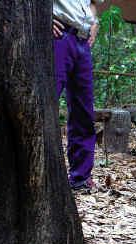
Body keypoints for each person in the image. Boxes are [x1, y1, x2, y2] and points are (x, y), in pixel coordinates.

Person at [52, 0, 102, 190]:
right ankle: (37, 172)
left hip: (82, 41)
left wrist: (95, 22)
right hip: (58, 35)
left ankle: (80, 177)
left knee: (84, 111)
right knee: (46, 105)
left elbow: (93, 2)